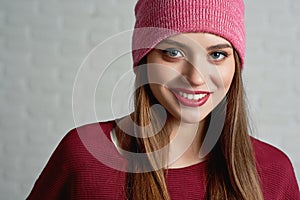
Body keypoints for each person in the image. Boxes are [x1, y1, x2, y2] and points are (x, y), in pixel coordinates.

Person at [27, 0, 300, 199]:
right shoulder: (84, 157)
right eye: (173, 52)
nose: (195, 77)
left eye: (217, 55)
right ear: (144, 60)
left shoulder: (274, 171)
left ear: (235, 65)